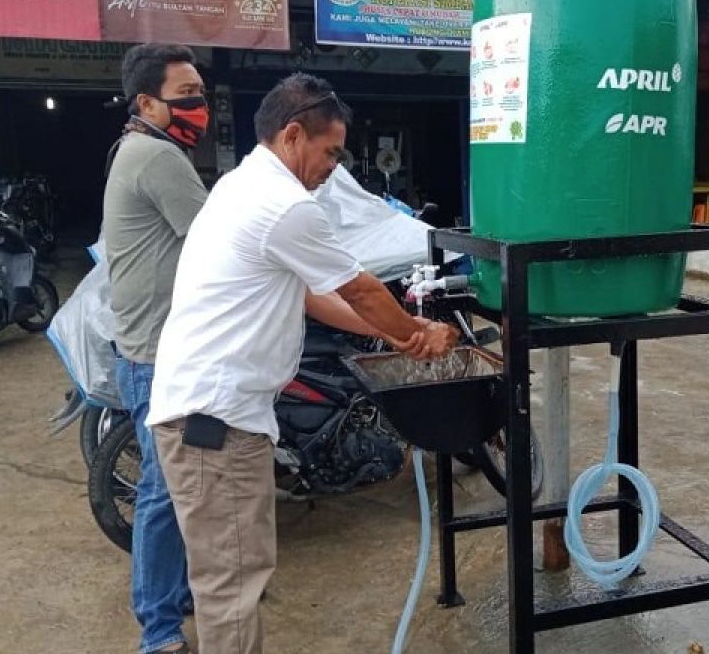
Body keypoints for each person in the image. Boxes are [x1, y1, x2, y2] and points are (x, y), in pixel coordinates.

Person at [146, 73, 458, 654]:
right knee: (232, 588)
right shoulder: (284, 205)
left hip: (208, 412)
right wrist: (416, 335)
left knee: (231, 578)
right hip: (217, 420)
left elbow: (316, 295)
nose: (333, 169)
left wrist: (396, 336)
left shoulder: (238, 186)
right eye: (331, 152)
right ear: (293, 135)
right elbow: (363, 289)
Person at [102, 43, 210, 654]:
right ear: (147, 102)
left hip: (153, 346)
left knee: (180, 485)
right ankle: (159, 630)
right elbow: (216, 240)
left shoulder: (134, 148)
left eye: (200, 93)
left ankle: (175, 595)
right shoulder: (157, 157)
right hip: (158, 355)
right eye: (186, 96)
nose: (198, 105)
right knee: (166, 492)